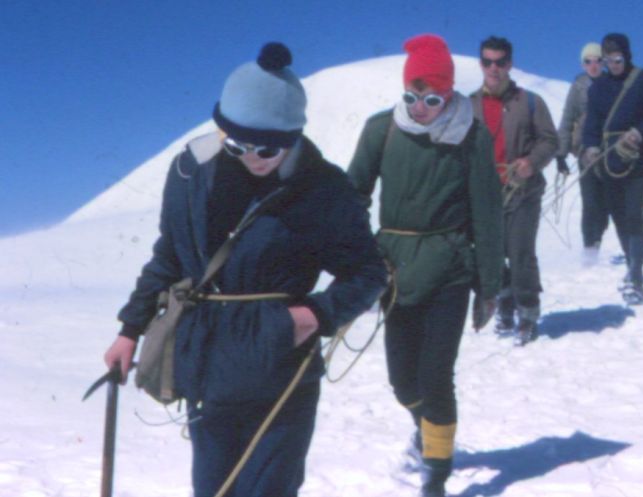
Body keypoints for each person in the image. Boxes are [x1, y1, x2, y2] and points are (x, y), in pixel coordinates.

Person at [103, 43, 387, 497]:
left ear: (293, 137)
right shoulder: (190, 173)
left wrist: (312, 316)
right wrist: (129, 328)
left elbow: (369, 273)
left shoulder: (322, 189)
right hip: (208, 366)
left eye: (270, 148)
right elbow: (170, 256)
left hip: (279, 369)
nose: (254, 157)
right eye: (238, 144)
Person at [347, 34, 503, 497]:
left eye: (432, 98)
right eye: (412, 97)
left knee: (435, 377)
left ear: (450, 94)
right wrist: (359, 258)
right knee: (402, 382)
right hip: (395, 271)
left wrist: (489, 285)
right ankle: (428, 430)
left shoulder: (471, 136)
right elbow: (352, 195)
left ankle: (436, 474)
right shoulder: (382, 130)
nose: (420, 108)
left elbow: (487, 215)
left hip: (450, 269)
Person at [470, 35, 559, 344]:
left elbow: (550, 140)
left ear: (510, 64)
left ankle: (529, 312)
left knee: (520, 253)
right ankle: (505, 305)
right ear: (481, 64)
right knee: (492, 256)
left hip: (523, 190)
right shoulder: (469, 105)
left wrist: (531, 162)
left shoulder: (530, 102)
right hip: (485, 195)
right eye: (487, 62)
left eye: (500, 62)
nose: (493, 68)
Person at [582, 33, 643, 305]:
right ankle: (631, 265)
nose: (612, 65)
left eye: (617, 59)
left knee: (633, 213)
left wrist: (639, 133)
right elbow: (592, 124)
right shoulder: (597, 88)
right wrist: (591, 147)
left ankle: (636, 276)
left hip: (638, 158)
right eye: (607, 61)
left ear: (626, 56)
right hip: (609, 160)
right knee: (618, 215)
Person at [556, 41, 611, 266]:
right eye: (589, 61)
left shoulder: (612, 84)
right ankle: (590, 249)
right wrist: (561, 153)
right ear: (583, 64)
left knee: (606, 202)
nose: (594, 65)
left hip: (610, 151)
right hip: (584, 152)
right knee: (590, 201)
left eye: (598, 60)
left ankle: (597, 238)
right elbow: (568, 118)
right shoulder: (578, 86)